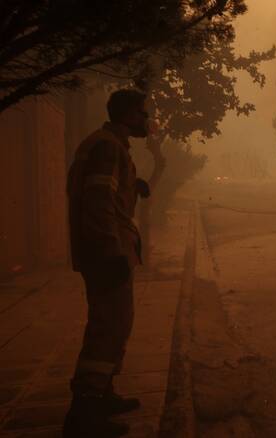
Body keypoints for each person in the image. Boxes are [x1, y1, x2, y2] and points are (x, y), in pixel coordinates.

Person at [63, 89, 151, 437]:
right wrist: (112, 252)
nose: (147, 120)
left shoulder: (106, 144)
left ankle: (104, 395)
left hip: (108, 251)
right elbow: (98, 203)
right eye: (143, 114)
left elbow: (106, 193)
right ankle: (84, 412)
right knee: (107, 328)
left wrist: (134, 184)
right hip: (107, 254)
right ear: (129, 115)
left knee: (117, 324)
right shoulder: (108, 147)